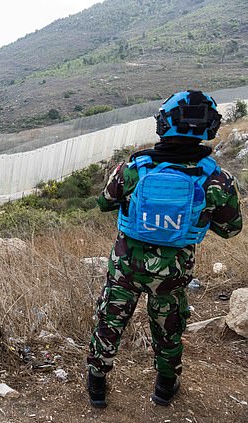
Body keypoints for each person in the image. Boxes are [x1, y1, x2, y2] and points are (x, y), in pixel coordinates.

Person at [86, 90, 242, 408]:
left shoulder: (135, 167)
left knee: (110, 322)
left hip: (125, 268)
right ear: (210, 127)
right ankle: (164, 388)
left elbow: (104, 202)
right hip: (173, 273)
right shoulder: (217, 179)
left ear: (164, 124)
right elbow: (230, 229)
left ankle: (97, 388)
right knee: (169, 328)